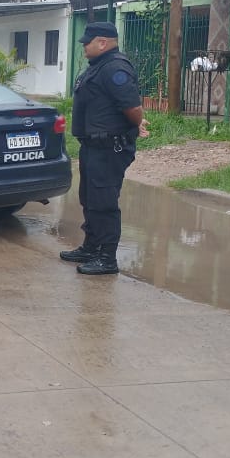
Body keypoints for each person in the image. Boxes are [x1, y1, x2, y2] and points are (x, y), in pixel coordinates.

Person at [61, 21, 150, 276]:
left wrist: (137, 122)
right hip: (93, 147)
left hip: (109, 148)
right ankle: (91, 247)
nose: (84, 48)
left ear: (102, 42)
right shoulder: (98, 67)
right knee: (89, 200)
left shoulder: (115, 68)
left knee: (104, 202)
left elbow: (131, 107)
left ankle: (107, 258)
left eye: (86, 43)